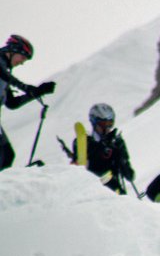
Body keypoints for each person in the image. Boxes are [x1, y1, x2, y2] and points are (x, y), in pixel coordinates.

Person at [0, 35, 56, 171]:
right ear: (13, 51)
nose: (22, 62)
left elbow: (12, 103)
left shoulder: (5, 74)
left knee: (7, 155)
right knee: (5, 154)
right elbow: (3, 74)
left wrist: (38, 92)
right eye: (23, 58)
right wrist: (27, 88)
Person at [69, 103, 135, 194]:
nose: (106, 128)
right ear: (94, 122)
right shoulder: (83, 142)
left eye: (109, 124)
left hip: (114, 191)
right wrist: (101, 147)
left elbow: (130, 176)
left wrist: (121, 153)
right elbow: (80, 167)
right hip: (91, 190)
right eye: (103, 124)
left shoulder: (114, 142)